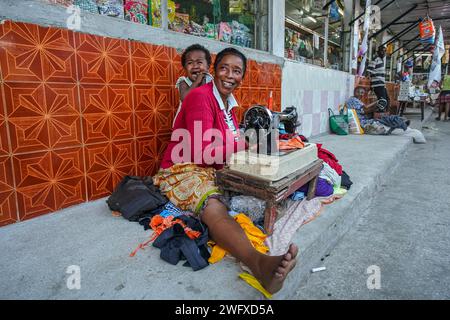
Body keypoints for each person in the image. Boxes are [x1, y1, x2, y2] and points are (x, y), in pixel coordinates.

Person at [154, 48, 298, 294]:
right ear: (214, 70)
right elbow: (201, 152)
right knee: (213, 205)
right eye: (224, 68)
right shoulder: (200, 97)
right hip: (183, 168)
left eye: (237, 71)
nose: (230, 75)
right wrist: (247, 144)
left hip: (212, 168)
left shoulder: (228, 106)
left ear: (242, 76)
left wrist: (252, 147)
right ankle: (259, 263)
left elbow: (226, 145)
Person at [173, 44, 214, 126]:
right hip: (185, 123)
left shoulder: (211, 81)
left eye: (199, 62)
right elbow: (184, 98)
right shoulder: (183, 82)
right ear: (185, 68)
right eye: (190, 63)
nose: (195, 66)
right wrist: (197, 82)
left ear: (208, 66)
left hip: (206, 120)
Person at [367, 46, 390, 112]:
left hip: (381, 84)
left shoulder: (381, 60)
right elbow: (369, 71)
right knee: (383, 101)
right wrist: (370, 84)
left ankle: (385, 115)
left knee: (387, 100)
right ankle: (379, 114)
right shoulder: (375, 59)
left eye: (385, 51)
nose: (384, 53)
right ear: (379, 51)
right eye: (382, 51)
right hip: (377, 84)